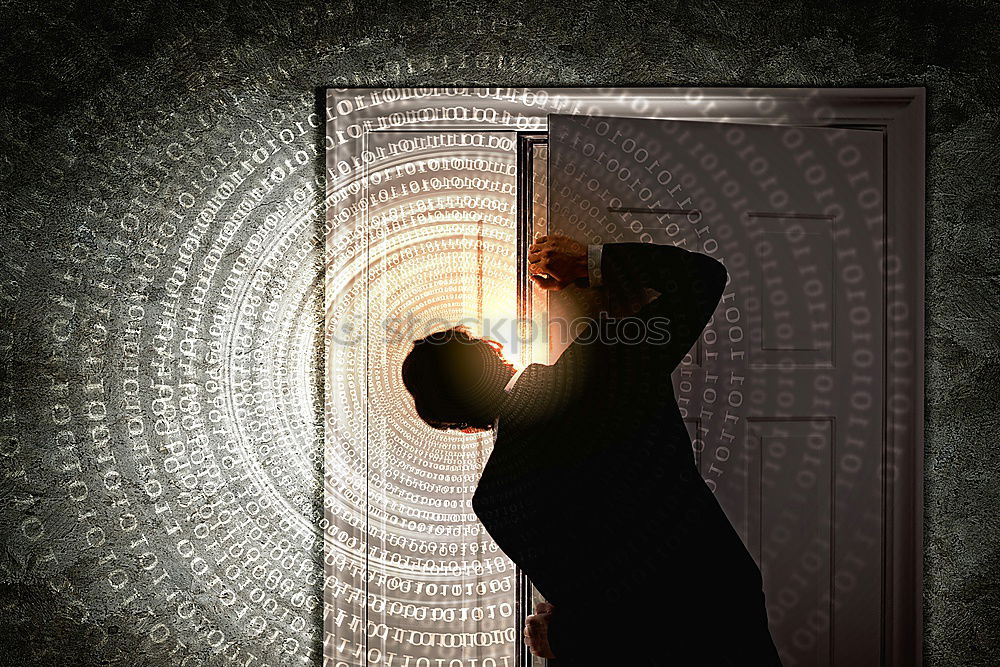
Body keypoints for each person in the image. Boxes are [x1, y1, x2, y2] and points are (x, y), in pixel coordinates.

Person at [401, 234, 783, 666]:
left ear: (458, 423)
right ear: (495, 353)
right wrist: (588, 262)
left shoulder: (495, 499)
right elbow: (703, 277)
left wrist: (560, 636)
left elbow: (602, 608)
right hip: (722, 613)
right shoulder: (602, 363)